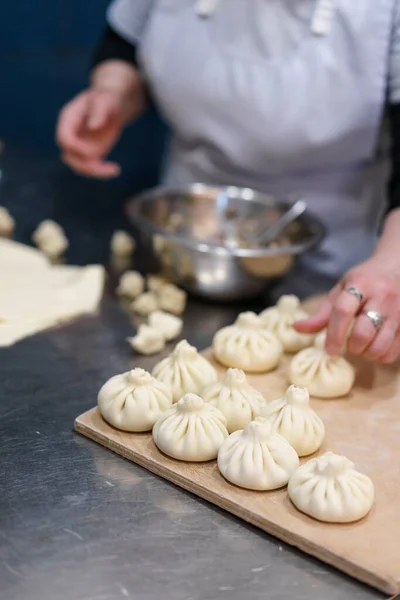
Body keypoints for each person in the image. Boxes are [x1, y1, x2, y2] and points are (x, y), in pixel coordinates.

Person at [56, 0, 400, 364]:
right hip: (182, 248)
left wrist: (393, 264)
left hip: (334, 275)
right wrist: (111, 96)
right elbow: (126, 41)